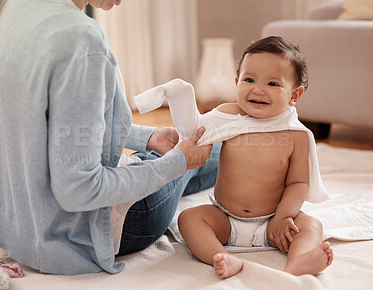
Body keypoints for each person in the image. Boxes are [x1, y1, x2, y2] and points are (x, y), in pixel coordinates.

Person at [0, 0, 221, 275]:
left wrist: (148, 137)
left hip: (18, 223)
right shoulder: (81, 40)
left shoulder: (6, 9)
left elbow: (41, 124)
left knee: (189, 156)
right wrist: (176, 162)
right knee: (206, 152)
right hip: (83, 235)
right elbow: (81, 189)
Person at [134, 36, 334, 279]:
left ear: (295, 95)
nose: (258, 89)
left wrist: (284, 216)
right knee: (189, 219)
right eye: (249, 80)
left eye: (272, 84)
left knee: (311, 226)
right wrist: (180, 96)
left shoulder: (296, 135)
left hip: (273, 222)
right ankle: (223, 256)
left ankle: (298, 261)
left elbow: (299, 183)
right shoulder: (228, 116)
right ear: (237, 82)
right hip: (226, 219)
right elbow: (193, 131)